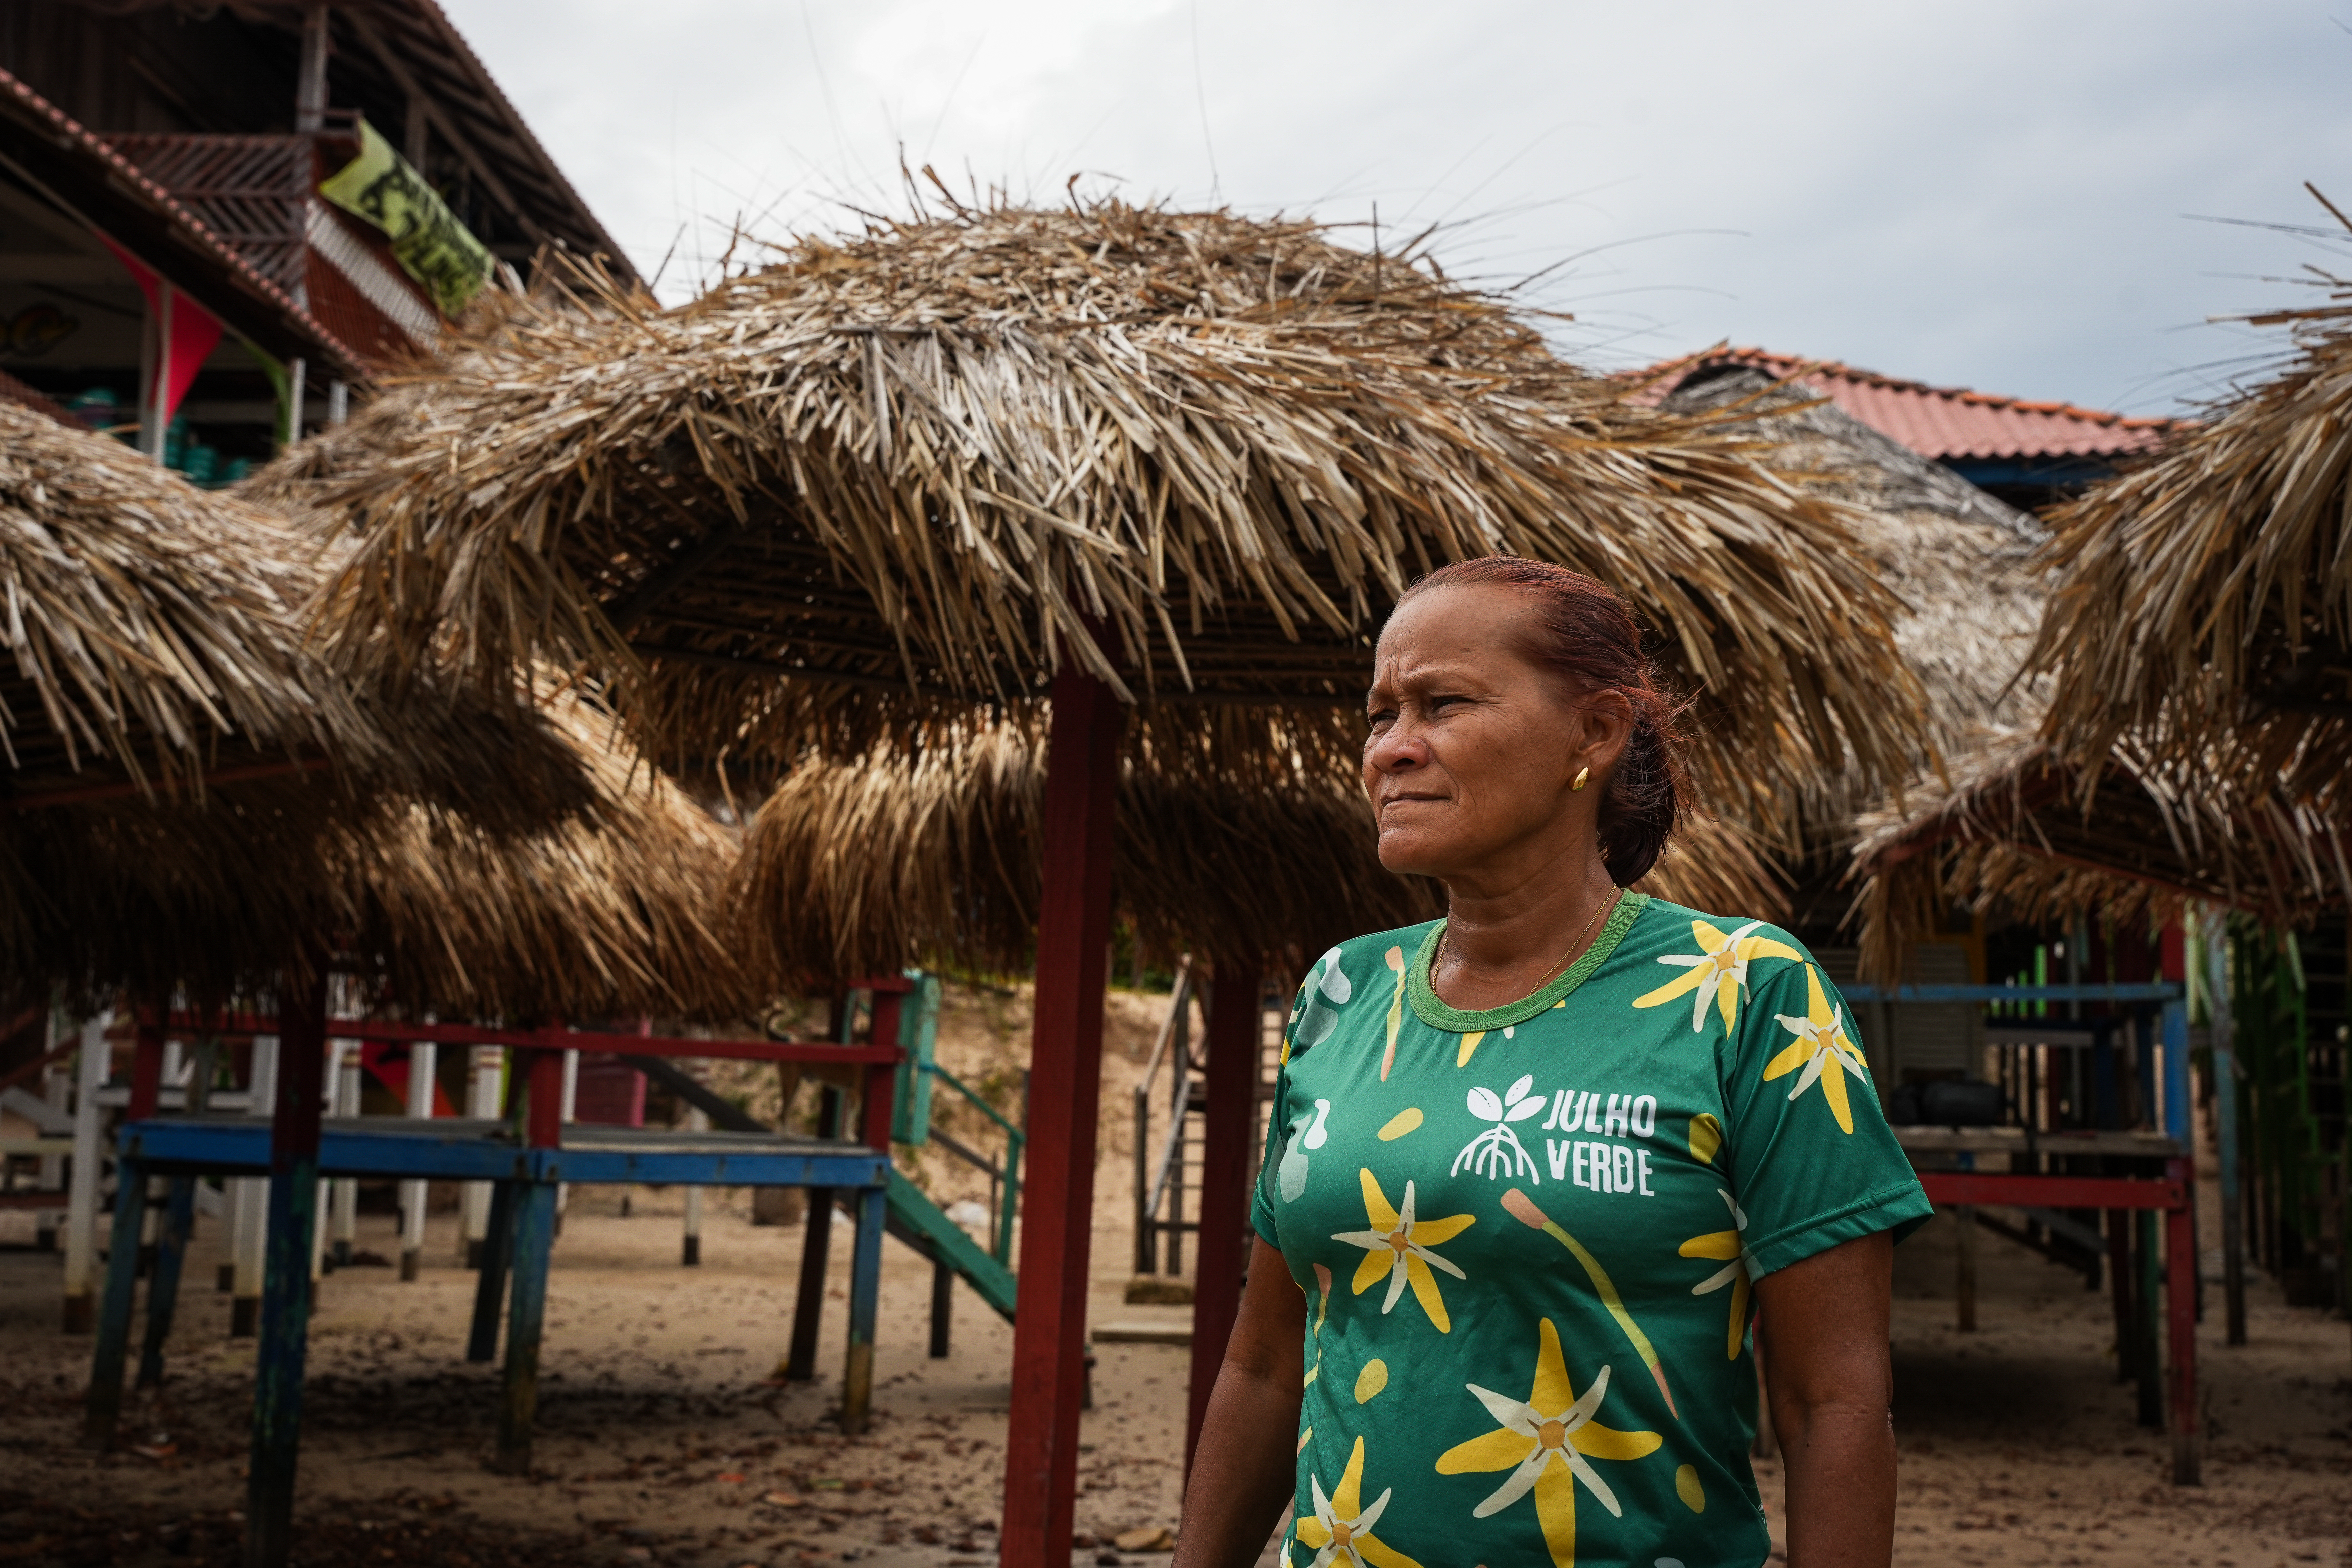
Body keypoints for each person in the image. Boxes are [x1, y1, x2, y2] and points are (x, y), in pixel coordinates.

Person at [1175, 557, 1930, 1568]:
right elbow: (1267, 1365)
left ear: (1595, 732)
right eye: (1379, 713)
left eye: (1442, 704)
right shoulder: (1340, 996)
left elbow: (1831, 1401)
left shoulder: (1744, 995)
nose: (1393, 750)